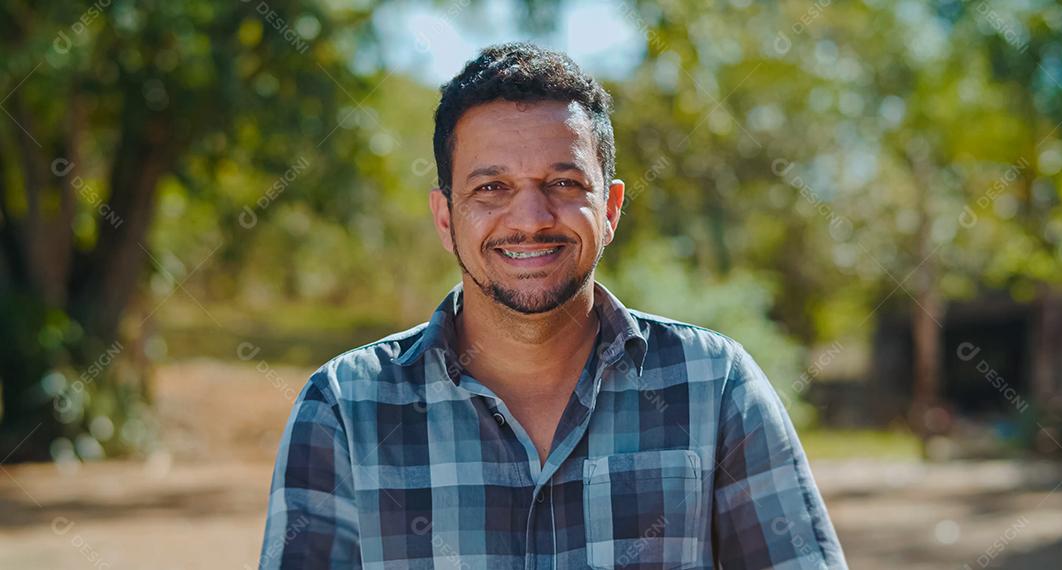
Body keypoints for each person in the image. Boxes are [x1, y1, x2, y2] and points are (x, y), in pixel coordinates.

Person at [258, 41, 848, 569]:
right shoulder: (345, 407)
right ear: (445, 217)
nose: (531, 219)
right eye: (492, 188)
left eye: (564, 184)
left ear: (611, 208)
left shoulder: (715, 386)